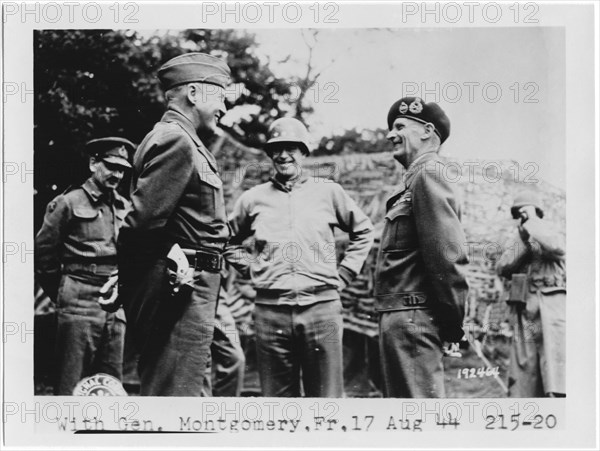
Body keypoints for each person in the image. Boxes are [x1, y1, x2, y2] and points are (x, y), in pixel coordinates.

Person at [228, 117, 374, 397]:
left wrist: (344, 275)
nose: (284, 155)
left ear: (304, 152)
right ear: (270, 154)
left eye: (291, 148)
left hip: (321, 308)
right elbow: (227, 240)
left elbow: (363, 231)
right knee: (278, 403)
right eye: (277, 149)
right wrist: (251, 268)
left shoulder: (328, 192)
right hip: (270, 312)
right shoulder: (252, 198)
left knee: (326, 400)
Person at [119, 52, 232, 396]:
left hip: (188, 288)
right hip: (178, 291)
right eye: (220, 97)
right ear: (194, 94)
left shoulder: (180, 138)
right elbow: (141, 224)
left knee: (189, 394)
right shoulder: (176, 139)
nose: (224, 109)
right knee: (174, 401)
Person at [374, 97, 469, 398]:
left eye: (400, 126)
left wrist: (453, 322)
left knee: (420, 421)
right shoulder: (412, 181)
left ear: (427, 131)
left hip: (414, 318)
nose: (390, 135)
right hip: (402, 318)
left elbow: (447, 255)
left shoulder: (428, 174)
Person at [35, 137, 134, 395]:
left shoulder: (125, 206)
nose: (117, 174)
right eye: (111, 166)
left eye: (122, 169)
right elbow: (44, 253)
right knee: (72, 381)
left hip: (115, 302)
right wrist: (63, 292)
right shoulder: (68, 202)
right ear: (93, 164)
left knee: (110, 384)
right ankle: (65, 435)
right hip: (79, 297)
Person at [496, 190, 566, 397]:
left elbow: (557, 248)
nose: (522, 216)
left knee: (554, 364)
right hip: (526, 304)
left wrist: (533, 222)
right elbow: (504, 267)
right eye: (519, 213)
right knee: (525, 367)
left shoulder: (550, 230)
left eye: (524, 211)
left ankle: (558, 406)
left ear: (537, 212)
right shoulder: (521, 236)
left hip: (552, 301)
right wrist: (523, 238)